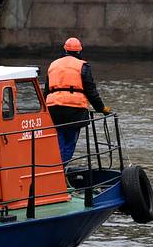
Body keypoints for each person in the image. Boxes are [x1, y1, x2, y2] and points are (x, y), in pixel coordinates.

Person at [43, 37, 110, 166]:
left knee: (59, 140)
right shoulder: (82, 66)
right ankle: (61, 169)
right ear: (79, 51)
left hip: (53, 108)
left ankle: (56, 169)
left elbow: (46, 90)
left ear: (64, 49)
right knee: (70, 142)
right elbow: (91, 91)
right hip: (75, 109)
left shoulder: (53, 65)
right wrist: (102, 108)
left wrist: (44, 110)